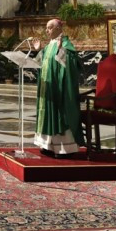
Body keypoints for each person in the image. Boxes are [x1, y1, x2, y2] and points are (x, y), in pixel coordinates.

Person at [31, 19, 84, 157]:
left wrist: (62, 50)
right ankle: (47, 145)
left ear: (59, 28)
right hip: (48, 87)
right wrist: (39, 51)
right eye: (46, 28)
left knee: (59, 114)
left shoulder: (66, 44)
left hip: (59, 88)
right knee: (47, 112)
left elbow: (72, 64)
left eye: (50, 27)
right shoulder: (49, 45)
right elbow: (41, 63)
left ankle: (63, 148)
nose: (46, 30)